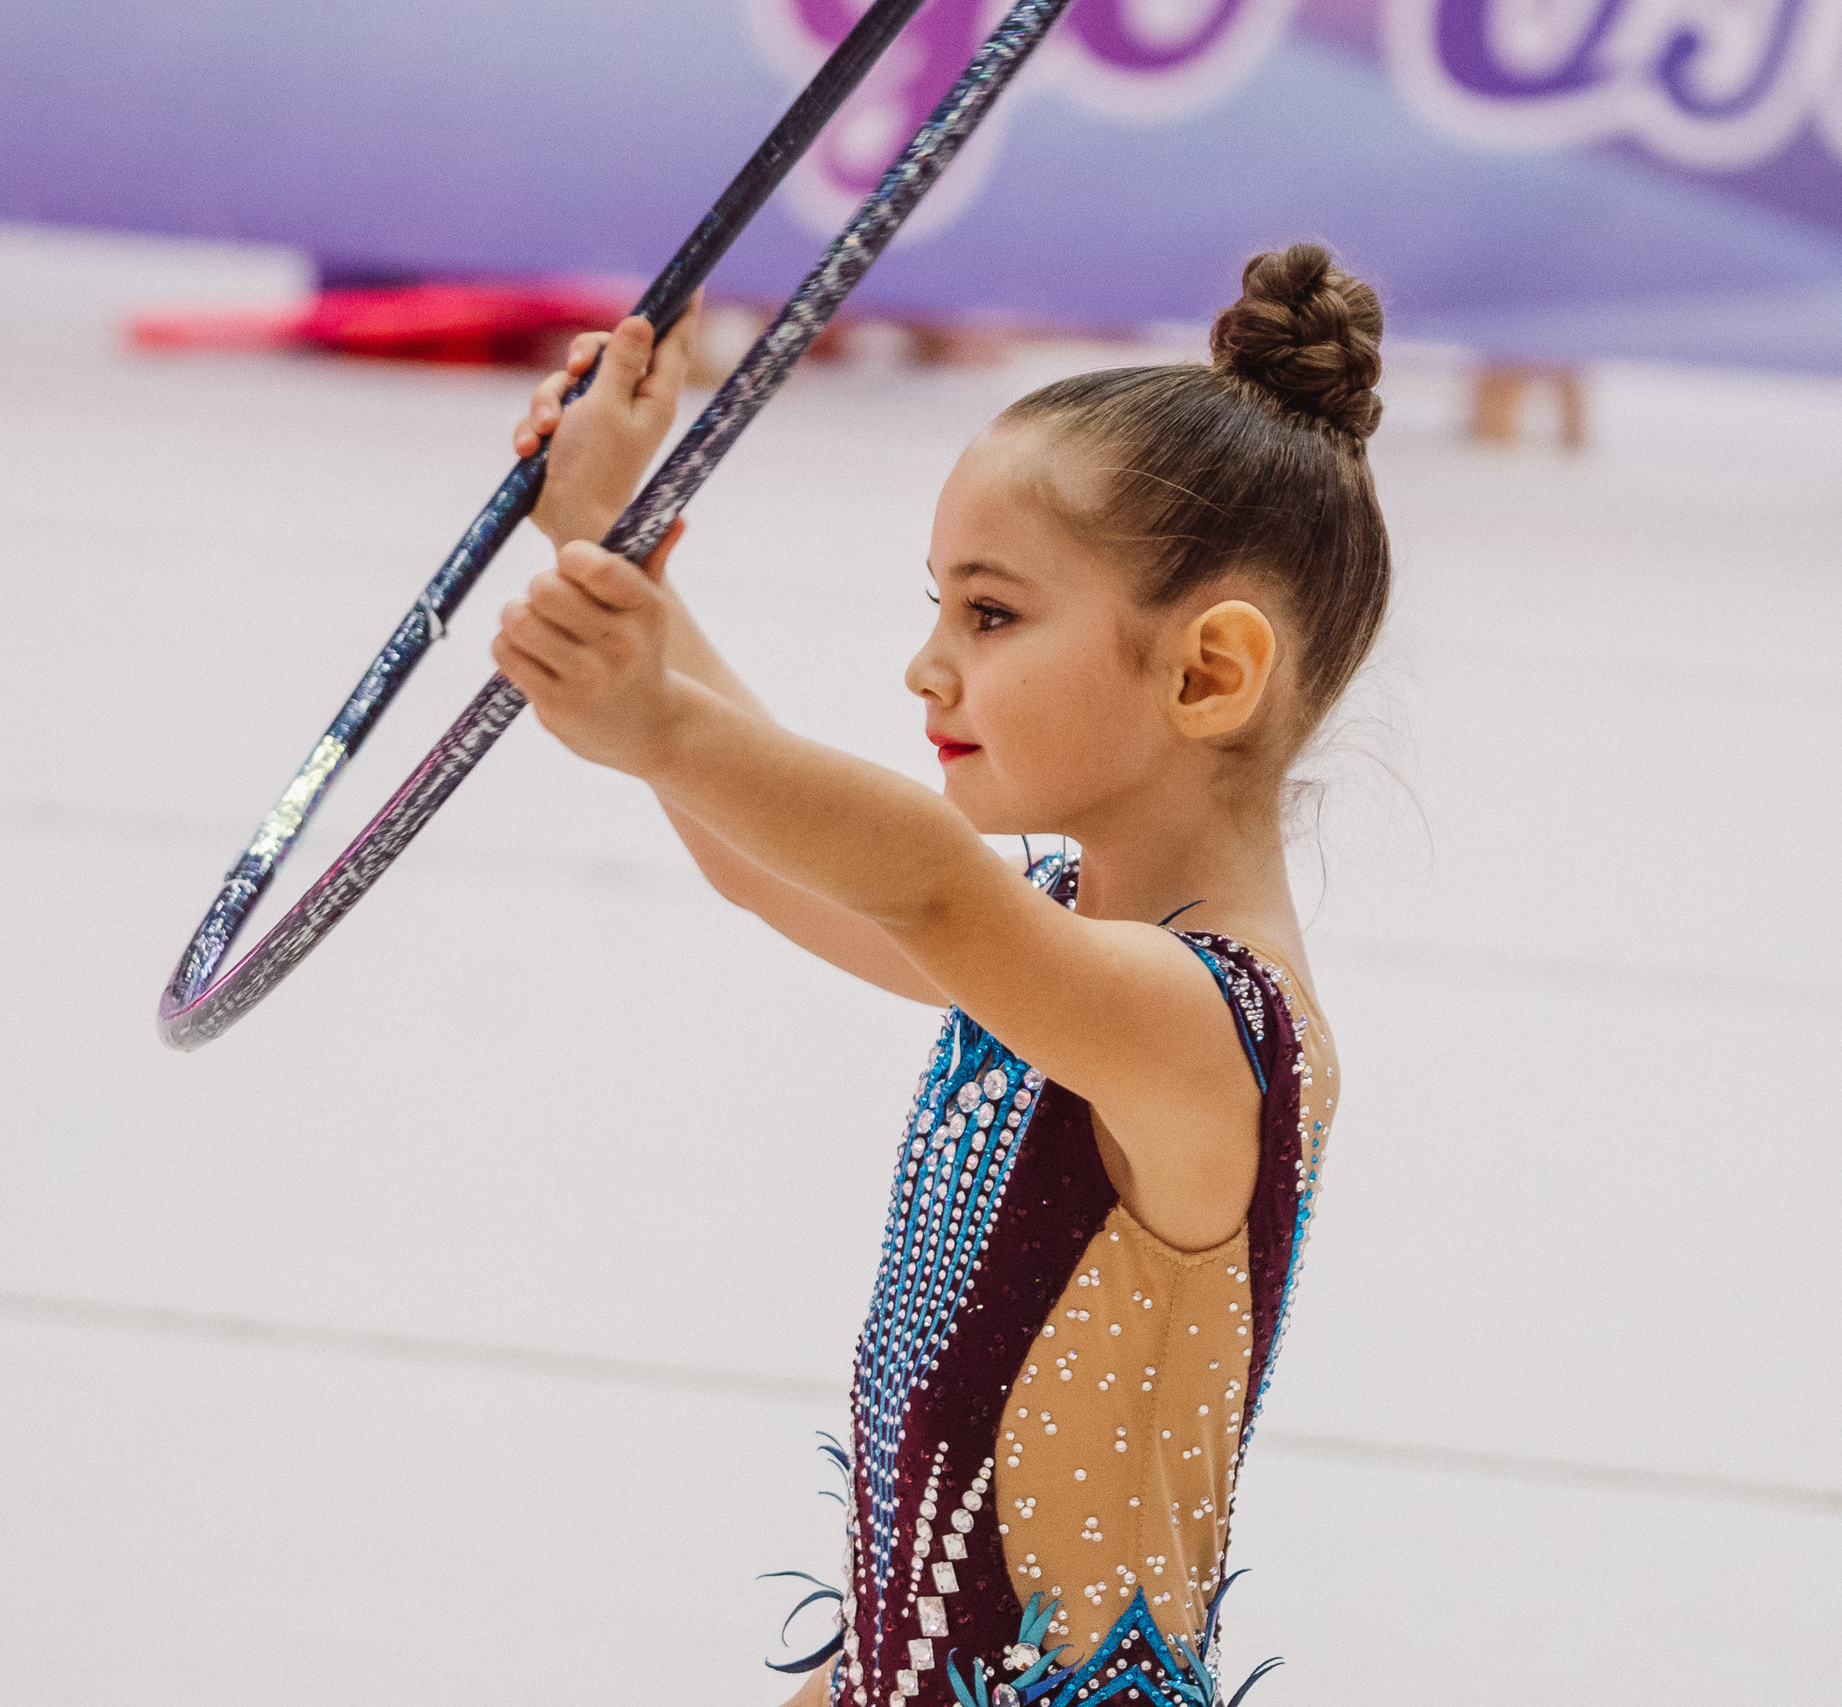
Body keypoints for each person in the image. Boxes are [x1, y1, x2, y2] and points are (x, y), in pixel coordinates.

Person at [495, 245, 1387, 1707]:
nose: (926, 666)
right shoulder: (1058, 947)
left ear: (1208, 675)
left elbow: (920, 880)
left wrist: (659, 721)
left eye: (988, 614)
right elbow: (772, 863)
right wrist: (603, 534)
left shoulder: (1200, 1026)